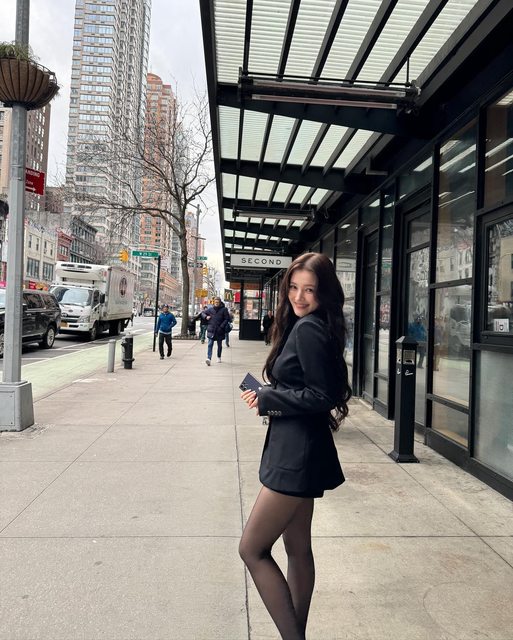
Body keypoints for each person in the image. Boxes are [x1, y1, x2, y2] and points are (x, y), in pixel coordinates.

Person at [239, 252, 351, 640]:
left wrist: (268, 397)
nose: (299, 297)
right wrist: (270, 394)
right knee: (298, 547)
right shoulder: (309, 325)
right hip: (301, 447)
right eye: (294, 287)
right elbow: (310, 388)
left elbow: (322, 395)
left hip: (295, 453)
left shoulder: (308, 330)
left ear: (324, 293)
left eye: (310, 290)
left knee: (252, 549)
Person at [205, 296, 230, 365]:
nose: (216, 303)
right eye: (215, 302)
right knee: (210, 344)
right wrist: (206, 317)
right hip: (212, 330)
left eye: (218, 302)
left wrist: (222, 326)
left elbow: (227, 319)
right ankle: (208, 358)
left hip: (219, 330)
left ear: (220, 303)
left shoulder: (224, 309)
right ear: (214, 302)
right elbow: (203, 313)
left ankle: (219, 356)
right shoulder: (210, 309)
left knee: (219, 345)